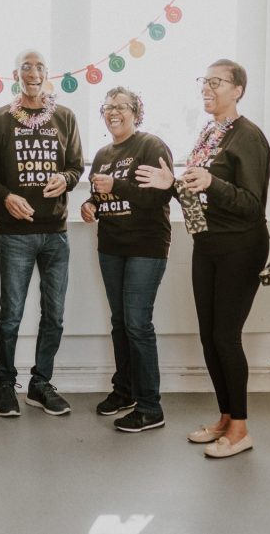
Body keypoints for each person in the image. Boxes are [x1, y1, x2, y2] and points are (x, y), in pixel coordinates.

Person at [137, 59, 270, 458]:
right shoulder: (210, 133)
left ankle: (242, 428)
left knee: (226, 337)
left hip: (240, 247)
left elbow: (251, 204)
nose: (207, 88)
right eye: (204, 81)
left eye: (217, 82)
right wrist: (172, 185)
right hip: (207, 243)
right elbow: (199, 192)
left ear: (239, 89)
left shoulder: (248, 137)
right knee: (210, 336)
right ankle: (226, 417)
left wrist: (214, 182)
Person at [0, 49, 84, 417]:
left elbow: (76, 166)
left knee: (54, 315)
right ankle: (4, 385)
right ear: (16, 74)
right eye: (26, 66)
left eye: (39, 67)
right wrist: (6, 197)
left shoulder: (65, 117)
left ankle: (41, 384)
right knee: (12, 314)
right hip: (14, 235)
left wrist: (66, 179)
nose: (33, 72)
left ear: (47, 75)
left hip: (55, 234)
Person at [81, 87, 174, 432]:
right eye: (107, 107)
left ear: (136, 112)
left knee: (138, 324)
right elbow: (98, 196)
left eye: (121, 107)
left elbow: (159, 195)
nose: (113, 112)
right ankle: (125, 392)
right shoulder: (103, 153)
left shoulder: (151, 145)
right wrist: (90, 205)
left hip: (146, 247)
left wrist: (116, 185)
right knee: (120, 322)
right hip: (111, 246)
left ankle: (151, 407)